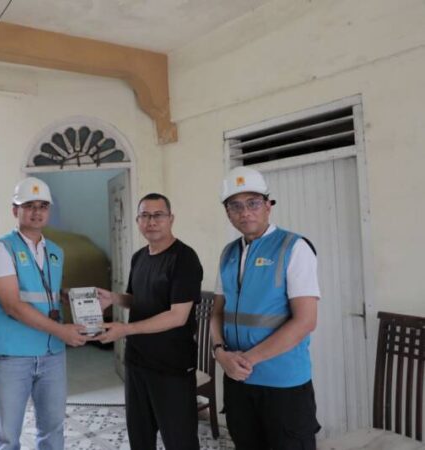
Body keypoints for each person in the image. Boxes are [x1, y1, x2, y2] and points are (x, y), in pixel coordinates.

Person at [210, 166, 321, 450]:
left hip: (283, 384)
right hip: (238, 383)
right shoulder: (228, 253)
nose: (245, 212)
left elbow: (306, 321)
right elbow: (217, 312)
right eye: (235, 206)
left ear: (268, 205)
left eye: (253, 203)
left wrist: (245, 361)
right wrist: (220, 353)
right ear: (227, 212)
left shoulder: (294, 247)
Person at [0, 177, 87, 450]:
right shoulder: (1, 249)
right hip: (13, 356)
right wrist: (62, 331)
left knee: (53, 431)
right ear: (15, 210)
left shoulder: (55, 252)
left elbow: (45, 293)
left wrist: (76, 298)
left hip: (52, 354)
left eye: (43, 206)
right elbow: (12, 305)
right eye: (29, 205)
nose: (37, 212)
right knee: (7, 437)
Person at [96, 193, 203, 450]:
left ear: (171, 219)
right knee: (140, 437)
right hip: (137, 363)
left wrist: (125, 329)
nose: (151, 221)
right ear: (137, 221)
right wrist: (114, 298)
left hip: (171, 367)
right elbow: (138, 300)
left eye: (158, 215)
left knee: (180, 441)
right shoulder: (139, 257)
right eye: (145, 215)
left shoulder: (184, 258)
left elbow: (178, 316)